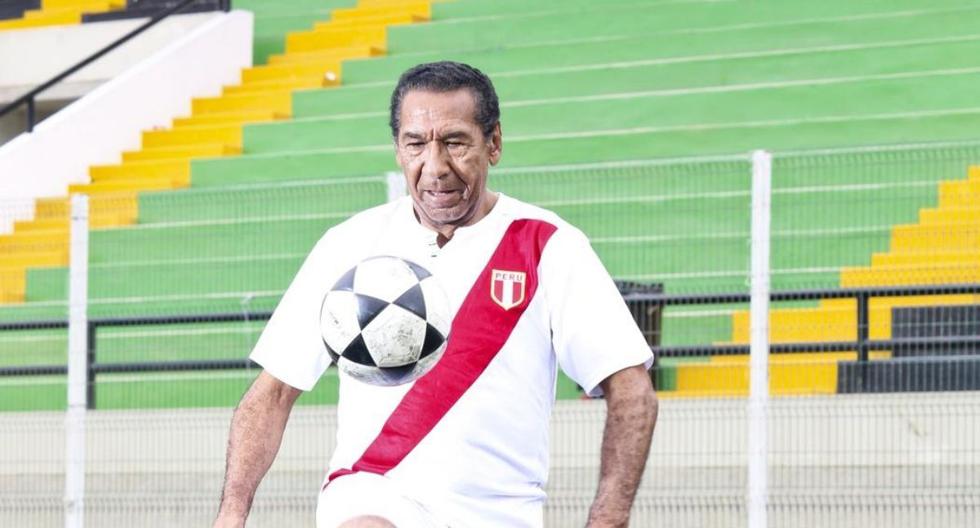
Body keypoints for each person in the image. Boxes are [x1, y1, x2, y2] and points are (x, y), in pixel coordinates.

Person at [213, 61, 658, 528]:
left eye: (455, 142)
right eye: (416, 144)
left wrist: (608, 518)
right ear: (398, 150)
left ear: (495, 143)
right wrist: (230, 516)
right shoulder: (349, 244)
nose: (435, 166)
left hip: (499, 513)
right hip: (371, 492)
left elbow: (631, 390)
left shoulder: (548, 245)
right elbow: (273, 391)